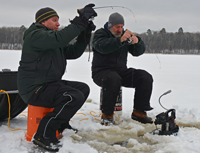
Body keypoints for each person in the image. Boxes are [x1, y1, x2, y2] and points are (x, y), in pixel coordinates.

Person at [17, 4, 97, 152]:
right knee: (74, 96)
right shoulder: (35, 35)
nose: (58, 24)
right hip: (34, 89)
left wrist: (84, 33)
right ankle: (43, 135)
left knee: (82, 89)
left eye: (58, 20)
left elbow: (73, 52)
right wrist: (80, 21)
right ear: (43, 22)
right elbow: (60, 38)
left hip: (49, 84)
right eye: (54, 20)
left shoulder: (51, 40)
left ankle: (61, 125)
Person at [92, 12, 153, 126]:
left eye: (121, 27)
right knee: (113, 78)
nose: (120, 30)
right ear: (110, 26)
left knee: (144, 77)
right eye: (117, 27)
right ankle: (107, 115)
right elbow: (103, 47)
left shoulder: (124, 36)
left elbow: (137, 52)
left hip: (121, 71)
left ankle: (139, 112)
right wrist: (120, 40)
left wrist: (137, 42)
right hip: (101, 72)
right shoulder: (100, 34)